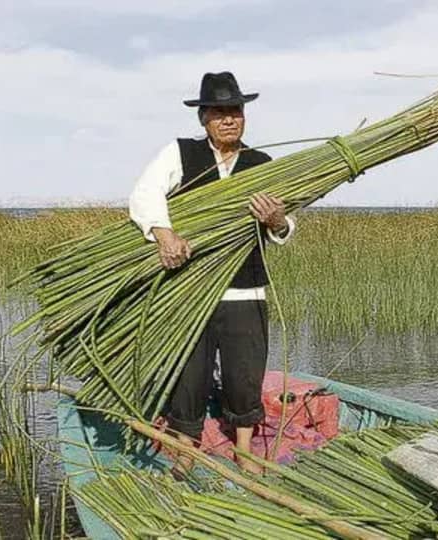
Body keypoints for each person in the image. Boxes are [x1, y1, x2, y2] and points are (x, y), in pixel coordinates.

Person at [128, 71, 294, 474]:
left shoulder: (261, 163)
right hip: (190, 290)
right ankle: (186, 447)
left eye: (235, 111)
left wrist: (276, 220)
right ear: (203, 117)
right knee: (189, 371)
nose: (229, 119)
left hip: (245, 288)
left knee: (245, 371)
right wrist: (165, 236)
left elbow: (285, 227)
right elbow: (144, 194)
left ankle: (246, 451)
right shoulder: (180, 153)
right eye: (219, 112)